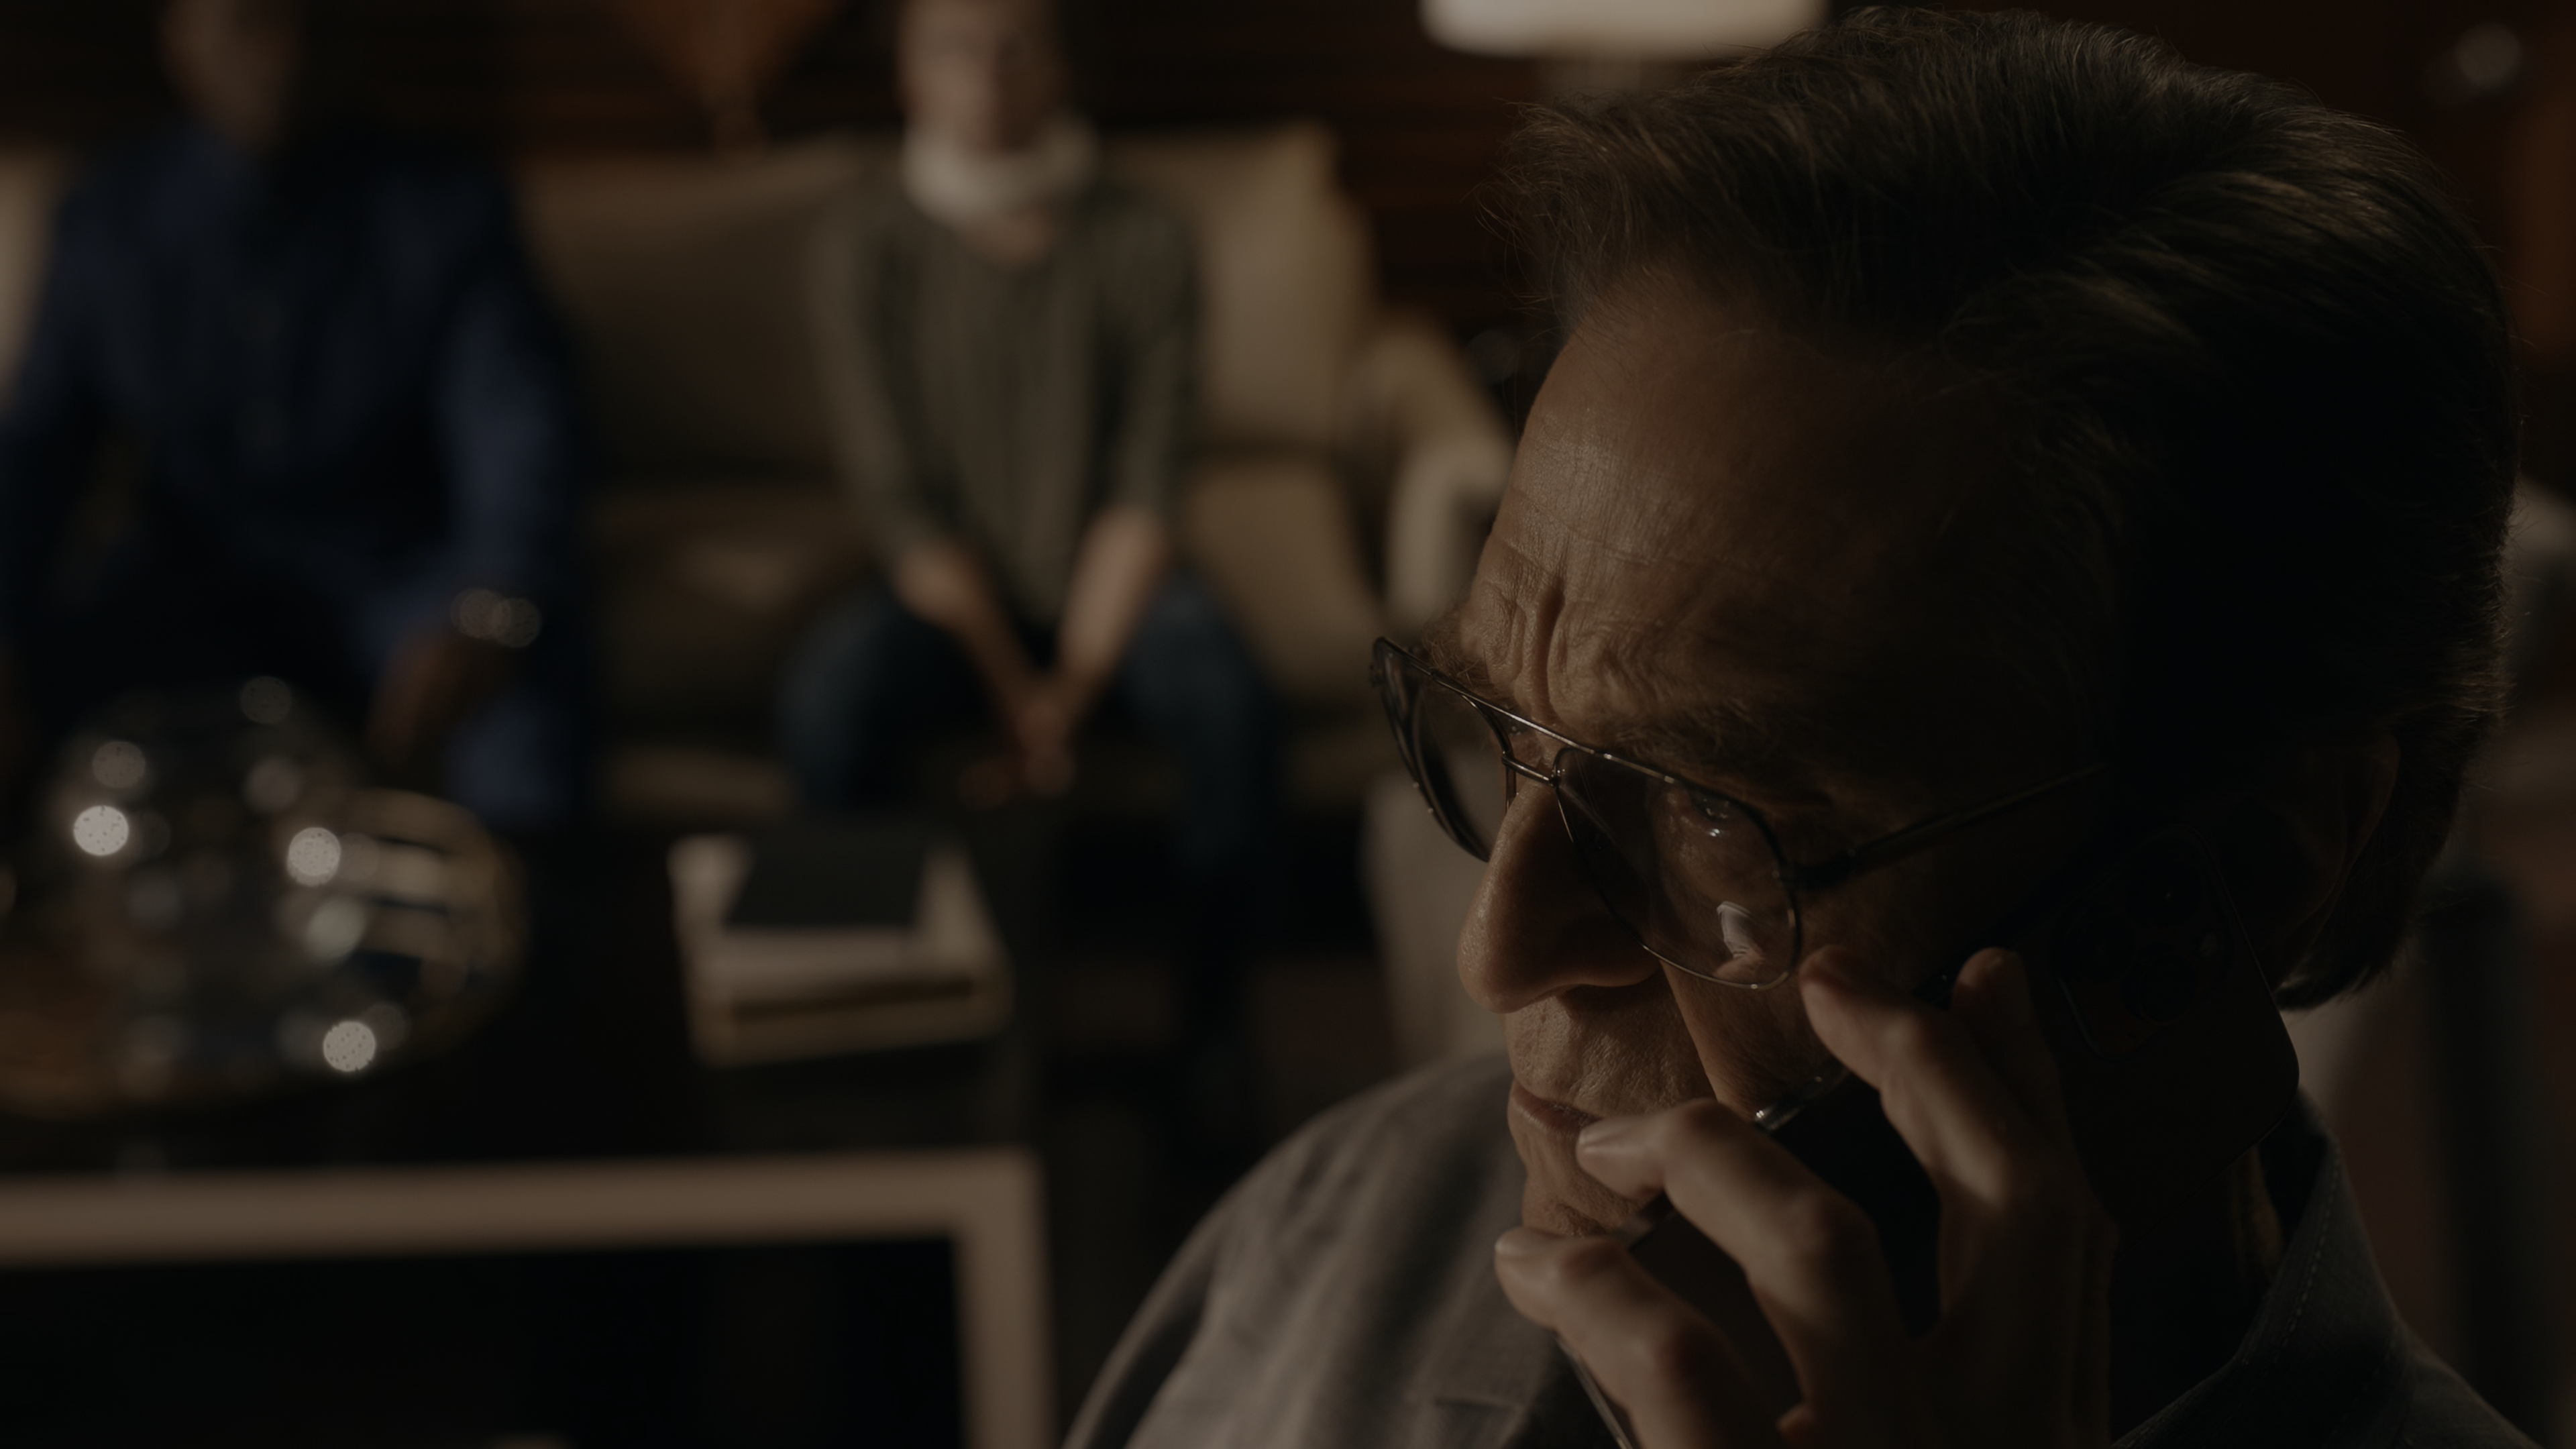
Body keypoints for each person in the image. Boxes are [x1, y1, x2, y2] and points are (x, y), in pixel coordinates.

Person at [1068, 11, 2534, 1448]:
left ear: (2254, 872)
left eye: (1712, 815)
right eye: (1498, 730)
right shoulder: (1333, 1237)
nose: (1494, 953)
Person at [781, 0, 1277, 1077]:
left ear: (1062, 65)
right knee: (827, 702)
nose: (988, 79)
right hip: (949, 596)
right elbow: (900, 503)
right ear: (909, 75)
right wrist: (1019, 693)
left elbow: (1147, 485)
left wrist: (1070, 694)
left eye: (1016, 47)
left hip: (1112, 583)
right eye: (954, 49)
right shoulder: (862, 244)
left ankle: (1212, 1040)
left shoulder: (1146, 233)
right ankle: (876, 1023)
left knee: (1230, 706)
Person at [0, 0, 587, 833]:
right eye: (251, 22)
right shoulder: (107, 215)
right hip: (181, 587)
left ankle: (534, 906)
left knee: (521, 684)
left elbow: (517, 423)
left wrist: (493, 604)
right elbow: (36, 452)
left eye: (316, 23)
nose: (284, 56)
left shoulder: (447, 206)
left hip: (395, 576)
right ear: (181, 37)